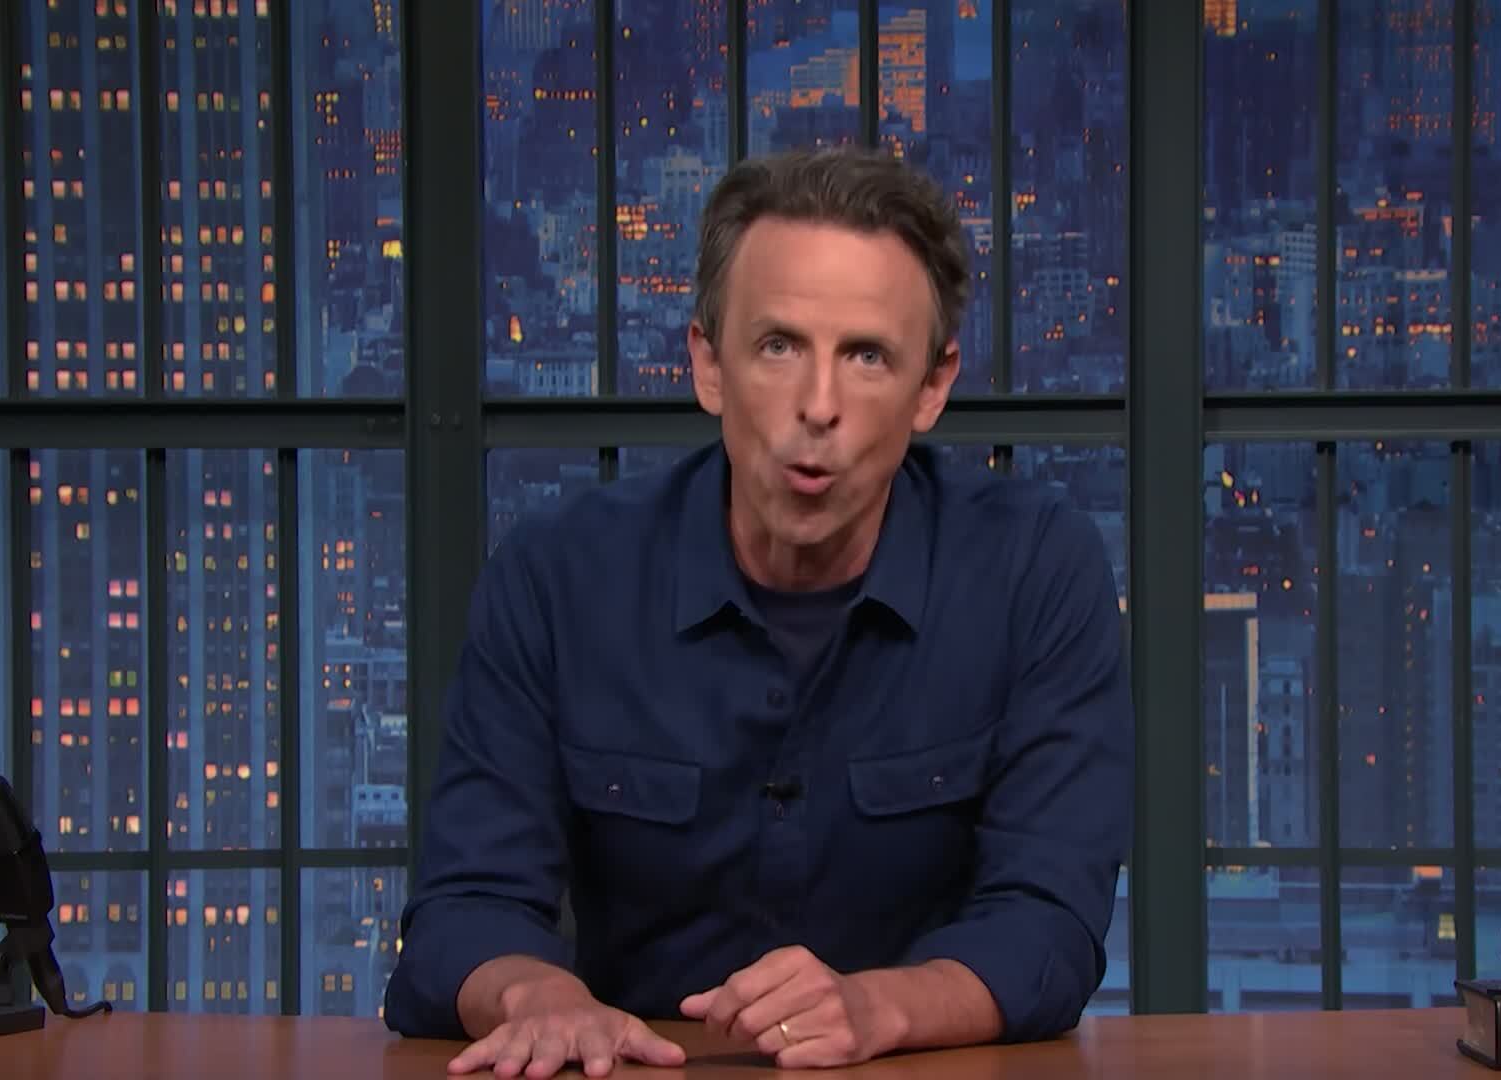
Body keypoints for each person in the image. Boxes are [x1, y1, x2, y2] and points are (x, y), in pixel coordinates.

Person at [381, 146, 1132, 1077]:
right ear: (708, 363)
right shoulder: (556, 579)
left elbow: (1049, 923)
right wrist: (542, 1001)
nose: (818, 406)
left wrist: (874, 1008)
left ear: (933, 386)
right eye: (779, 346)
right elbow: (461, 913)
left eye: (866, 356)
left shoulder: (1034, 572)